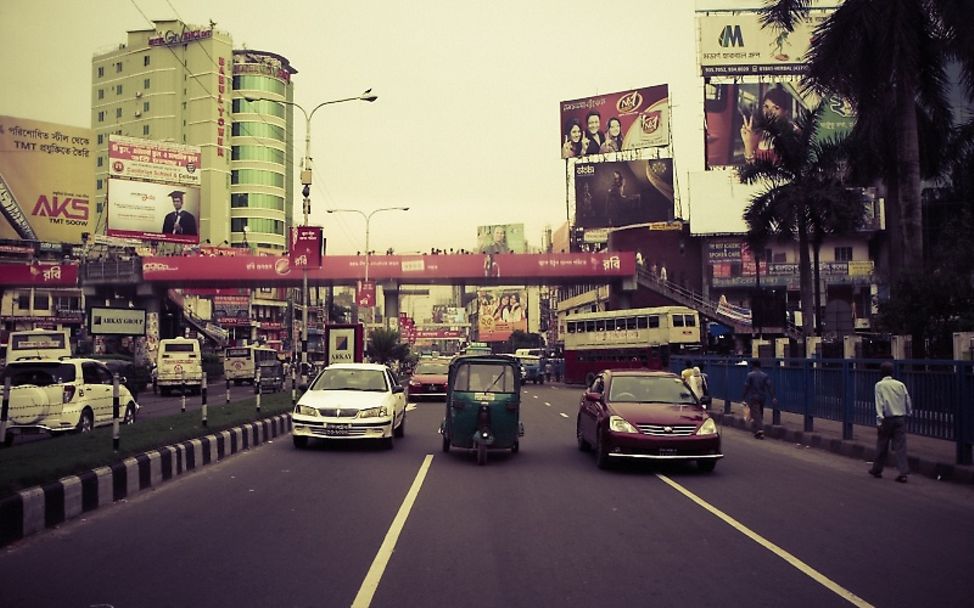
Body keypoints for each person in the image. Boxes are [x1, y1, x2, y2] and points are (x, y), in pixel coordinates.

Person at [869, 361, 913, 482]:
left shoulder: (879, 385)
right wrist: (908, 412)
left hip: (887, 419)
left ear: (881, 373)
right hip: (900, 418)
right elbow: (907, 399)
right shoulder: (900, 384)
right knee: (900, 447)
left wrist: (879, 421)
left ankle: (877, 470)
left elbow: (879, 404)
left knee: (882, 445)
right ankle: (903, 472)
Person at [740, 84, 797, 164]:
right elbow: (751, 171)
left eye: (776, 108)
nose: (769, 112)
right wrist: (748, 144)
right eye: (766, 106)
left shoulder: (794, 134)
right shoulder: (758, 133)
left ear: (786, 112)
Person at [742, 359, 776, 438]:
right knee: (760, 413)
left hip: (754, 397)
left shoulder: (750, 375)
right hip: (762, 397)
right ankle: (756, 430)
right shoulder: (764, 375)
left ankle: (760, 430)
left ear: (753, 366)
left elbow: (746, 386)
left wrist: (743, 397)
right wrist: (773, 397)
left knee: (756, 414)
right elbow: (769, 386)